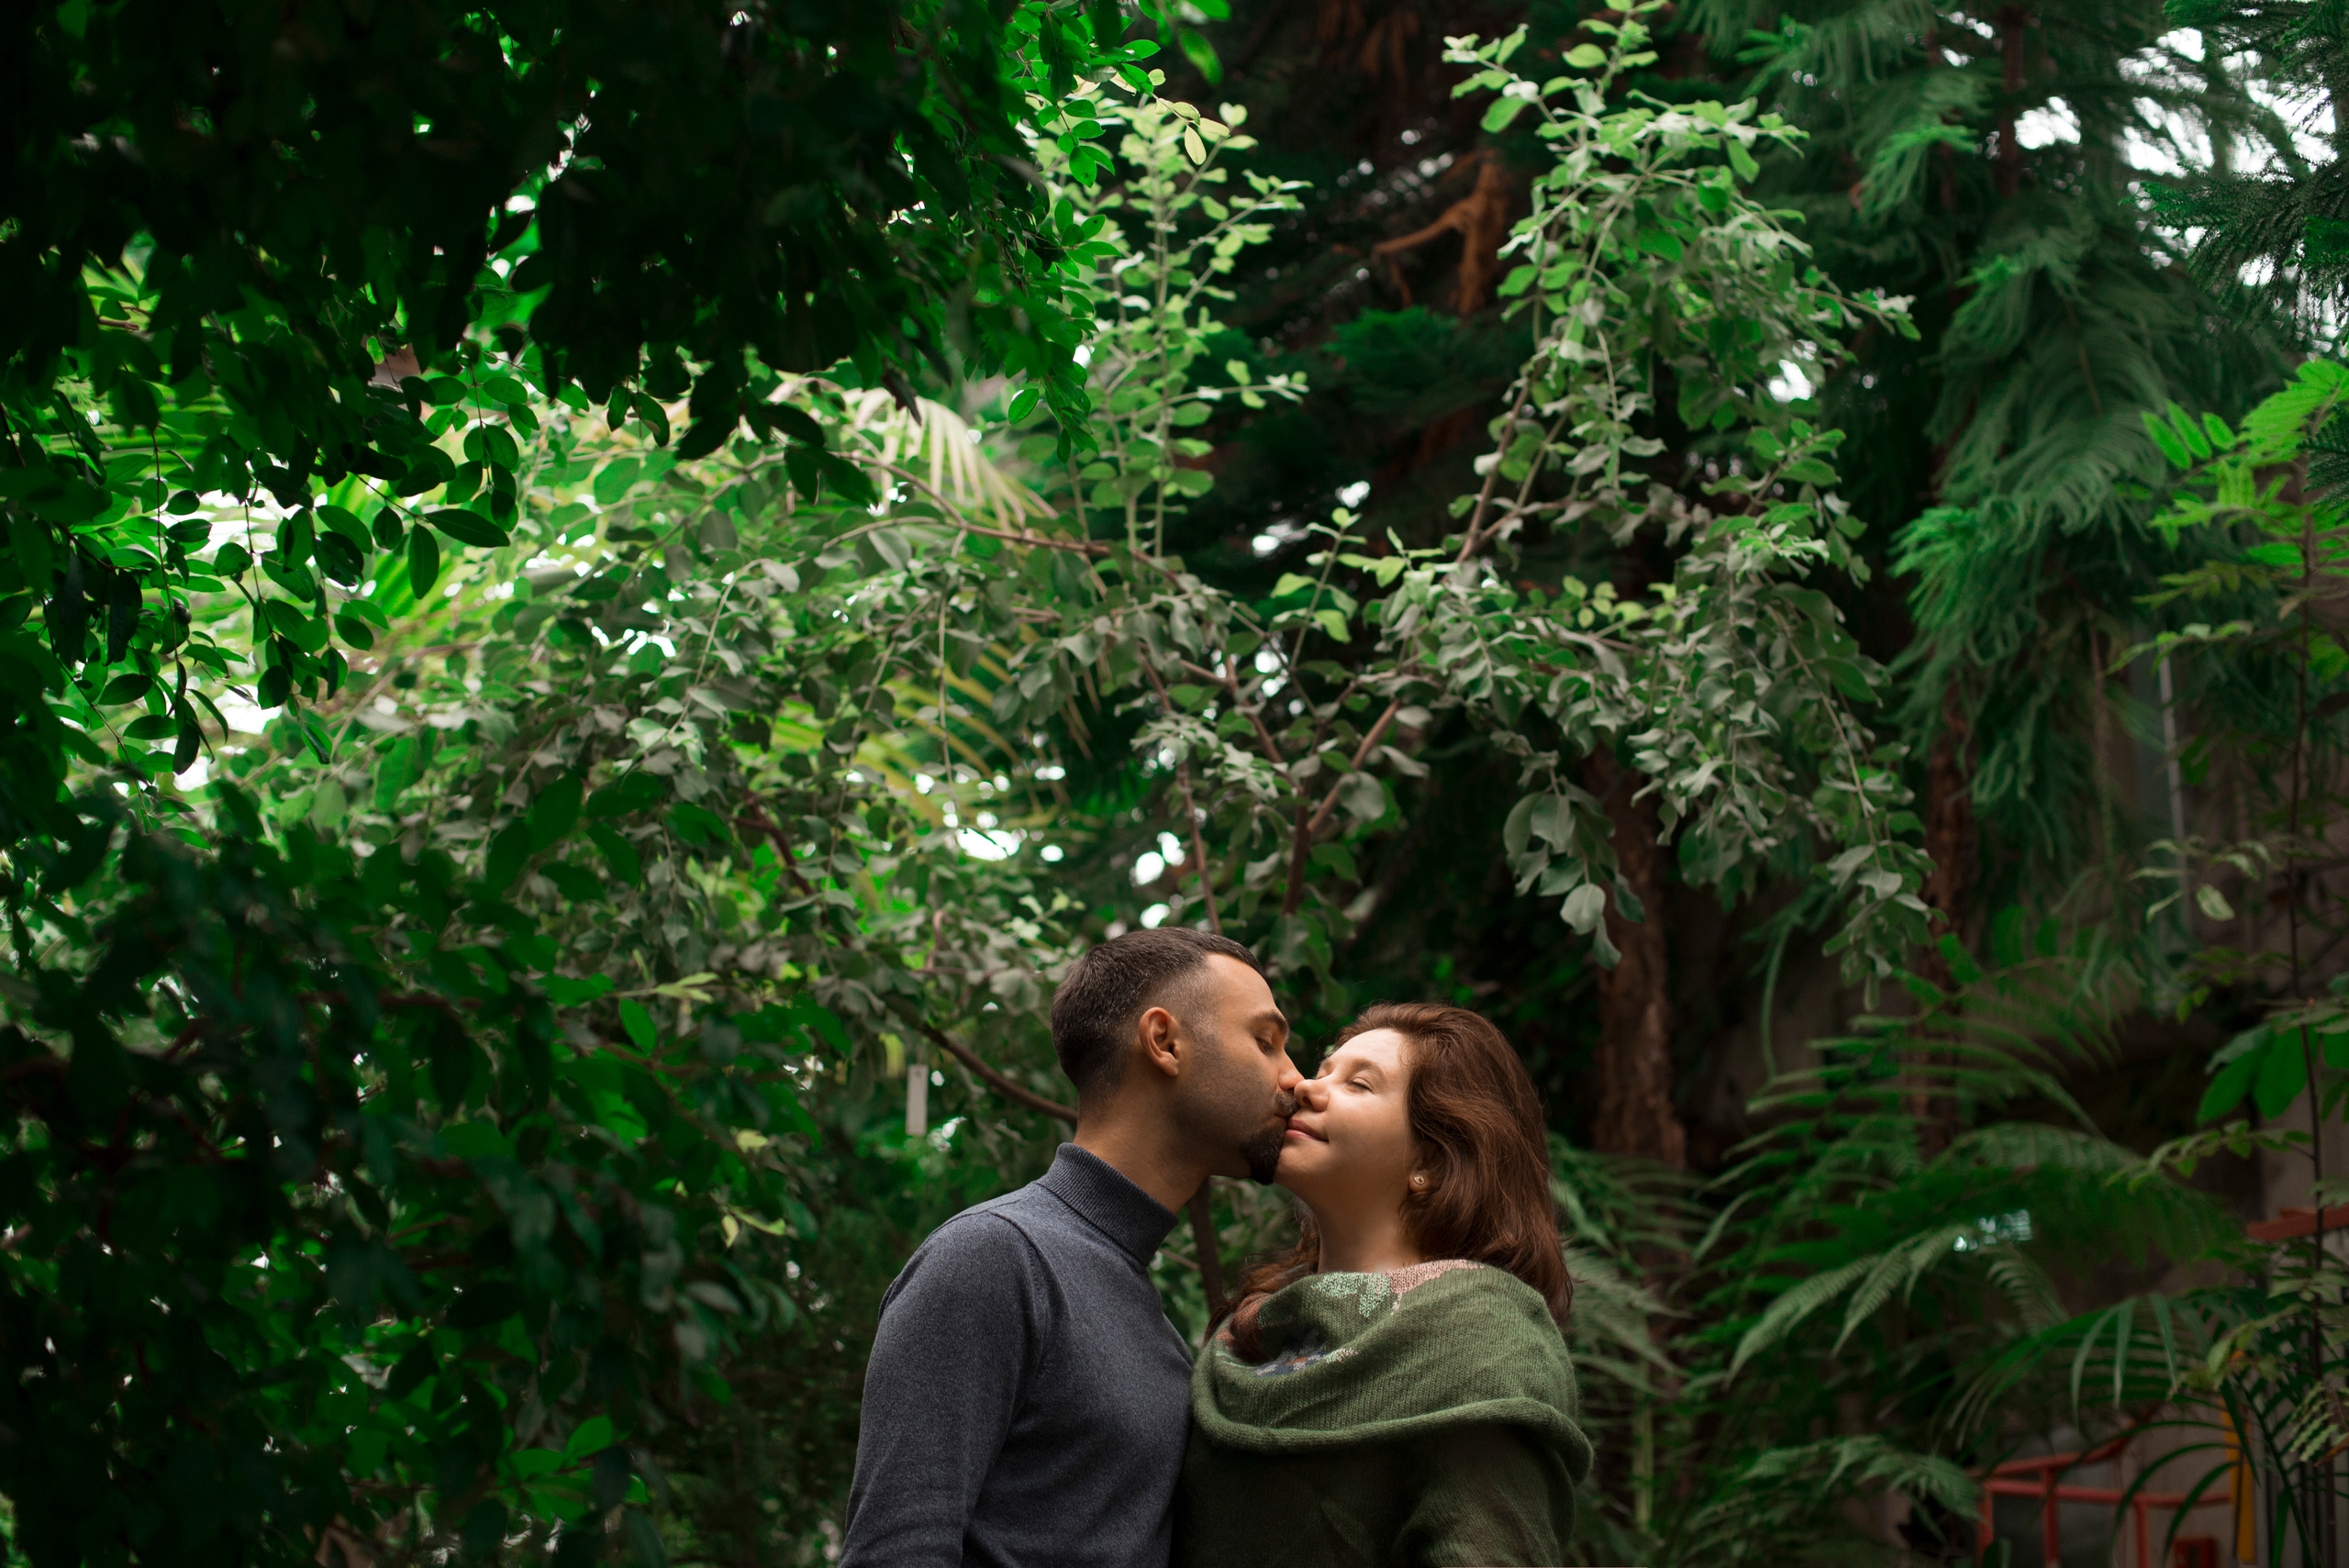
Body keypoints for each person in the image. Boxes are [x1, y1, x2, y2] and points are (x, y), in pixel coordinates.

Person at [840, 928, 1303, 1568]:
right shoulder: (994, 1259)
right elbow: (895, 1552)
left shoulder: (1154, 1326)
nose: (1296, 1080)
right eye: (1266, 1040)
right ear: (1165, 1042)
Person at [1174, 1002, 1593, 1568]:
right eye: (1322, 1072)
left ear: (1433, 1160)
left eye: (1359, 1085)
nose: (1305, 1088)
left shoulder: (1477, 1336)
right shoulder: (1248, 1337)